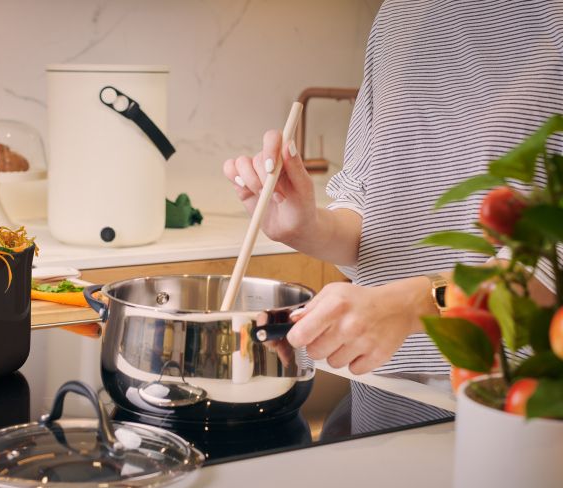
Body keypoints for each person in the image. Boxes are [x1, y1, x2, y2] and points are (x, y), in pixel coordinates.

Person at [224, 0, 561, 376]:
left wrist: (409, 306)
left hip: (517, 395)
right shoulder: (399, 12)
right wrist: (309, 227)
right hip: (385, 380)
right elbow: (370, 204)